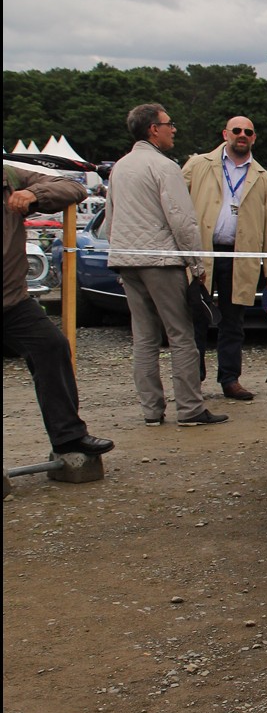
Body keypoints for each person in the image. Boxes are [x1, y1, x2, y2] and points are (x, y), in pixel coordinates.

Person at [106, 104, 228, 427]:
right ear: (152, 129)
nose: (173, 129)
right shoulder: (164, 166)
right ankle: (189, 409)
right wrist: (197, 263)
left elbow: (111, 218)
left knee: (144, 337)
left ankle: (151, 411)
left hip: (127, 261)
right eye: (168, 124)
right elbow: (183, 220)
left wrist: (119, 256)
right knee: (181, 335)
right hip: (160, 260)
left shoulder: (119, 167)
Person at [2, 162, 114, 456]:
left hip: (11, 301)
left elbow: (74, 187)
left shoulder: (10, 177)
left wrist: (33, 194)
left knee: (52, 347)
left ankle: (69, 438)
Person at [183, 116, 267, 402]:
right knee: (195, 318)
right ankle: (192, 380)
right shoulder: (198, 165)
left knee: (233, 321)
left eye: (248, 131)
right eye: (236, 130)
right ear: (225, 133)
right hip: (203, 254)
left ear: (254, 138)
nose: (242, 135)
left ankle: (230, 379)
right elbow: (176, 205)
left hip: (240, 257)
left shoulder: (263, 177)